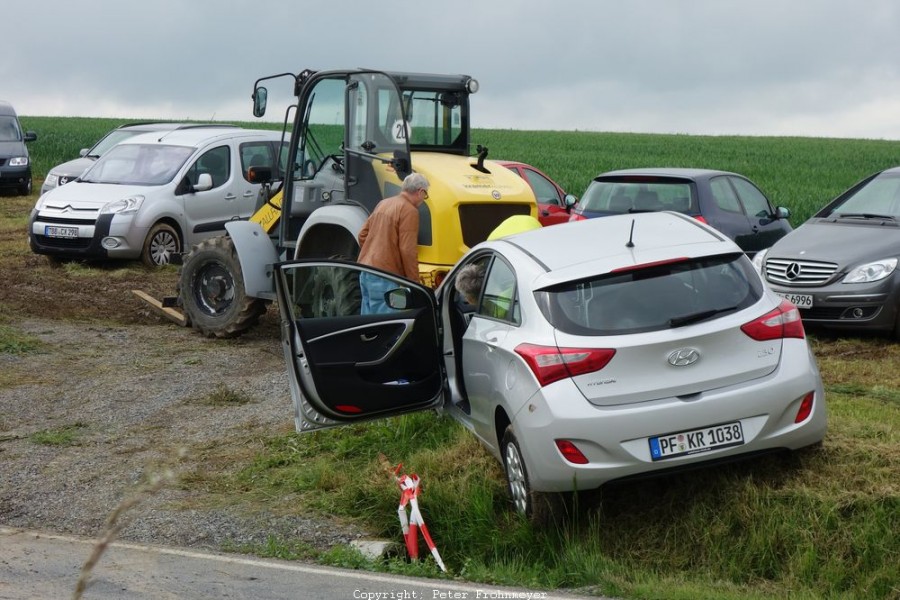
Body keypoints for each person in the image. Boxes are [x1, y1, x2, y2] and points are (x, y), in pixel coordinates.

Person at [357, 172, 430, 314]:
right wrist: (415, 284)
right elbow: (407, 250)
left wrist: (374, 254)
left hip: (366, 272)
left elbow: (362, 235)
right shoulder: (409, 211)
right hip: (386, 277)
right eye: (425, 195)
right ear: (420, 192)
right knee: (387, 327)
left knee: (367, 324)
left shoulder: (383, 203)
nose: (424, 199)